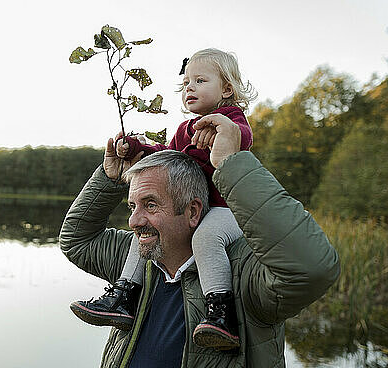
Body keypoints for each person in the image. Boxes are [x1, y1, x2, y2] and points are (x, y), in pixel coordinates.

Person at [59, 120, 340, 368]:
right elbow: (76, 240)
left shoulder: (243, 274)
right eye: (133, 206)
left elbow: (313, 268)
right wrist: (109, 181)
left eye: (151, 205)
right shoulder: (136, 260)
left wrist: (233, 166)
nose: (134, 221)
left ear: (193, 212)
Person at [70, 48, 257, 350]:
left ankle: (220, 313)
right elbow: (166, 157)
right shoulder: (185, 130)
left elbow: (243, 138)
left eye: (199, 80)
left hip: (222, 210)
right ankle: (123, 296)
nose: (190, 88)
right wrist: (136, 147)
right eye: (185, 83)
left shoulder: (231, 119)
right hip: (189, 211)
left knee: (207, 238)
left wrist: (225, 133)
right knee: (138, 237)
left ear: (226, 88)